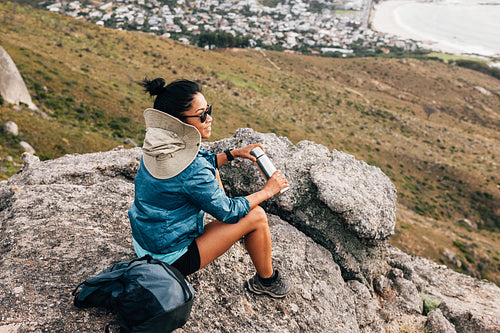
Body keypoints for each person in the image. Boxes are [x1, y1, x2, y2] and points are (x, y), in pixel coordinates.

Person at [128, 78, 292, 298]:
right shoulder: (193, 170)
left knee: (212, 174)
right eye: (202, 114)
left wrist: (234, 154)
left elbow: (193, 167)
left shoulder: (158, 145)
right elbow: (229, 211)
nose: (209, 118)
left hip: (144, 245)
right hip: (169, 259)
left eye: (209, 110)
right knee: (256, 215)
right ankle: (267, 282)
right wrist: (268, 190)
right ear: (180, 122)